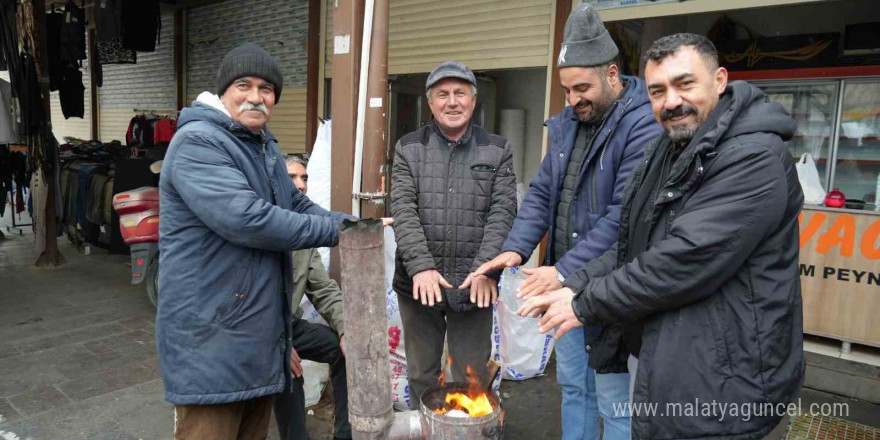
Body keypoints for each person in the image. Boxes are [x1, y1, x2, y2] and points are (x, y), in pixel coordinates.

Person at [521, 33, 805, 440]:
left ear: (720, 80)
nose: (671, 101)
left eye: (684, 84)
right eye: (658, 91)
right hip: (668, 351)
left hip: (724, 376)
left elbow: (682, 260)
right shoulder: (669, 147)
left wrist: (585, 302)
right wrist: (573, 279)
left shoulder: (753, 156)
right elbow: (631, 240)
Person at [467, 5, 660, 439]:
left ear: (612, 74)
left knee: (614, 401)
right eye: (567, 90)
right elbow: (540, 194)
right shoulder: (568, 124)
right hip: (562, 286)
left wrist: (564, 270)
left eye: (582, 88)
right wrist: (516, 248)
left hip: (613, 286)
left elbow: (623, 219)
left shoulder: (644, 124)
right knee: (573, 386)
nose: (573, 100)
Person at [157, 43, 352, 440]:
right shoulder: (198, 142)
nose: (255, 97)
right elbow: (250, 220)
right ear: (224, 92)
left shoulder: (261, 145)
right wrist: (339, 233)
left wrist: (355, 225)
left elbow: (296, 203)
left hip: (256, 337)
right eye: (243, 85)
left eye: (266, 89)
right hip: (213, 337)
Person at [390, 61, 517, 407]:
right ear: (430, 103)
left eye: (460, 93)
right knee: (421, 375)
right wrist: (421, 266)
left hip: (474, 285)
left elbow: (503, 212)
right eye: (442, 94)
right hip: (420, 285)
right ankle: (427, 429)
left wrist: (484, 269)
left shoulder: (497, 149)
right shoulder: (409, 148)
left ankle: (464, 430)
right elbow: (403, 209)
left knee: (470, 377)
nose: (452, 101)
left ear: (473, 101)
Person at [272, 154, 351, 440]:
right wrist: (278, 341)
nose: (300, 185)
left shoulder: (303, 234)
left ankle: (346, 434)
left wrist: (345, 328)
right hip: (260, 328)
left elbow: (323, 288)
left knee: (343, 351)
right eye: (292, 178)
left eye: (304, 178)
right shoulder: (262, 228)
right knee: (288, 372)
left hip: (290, 325)